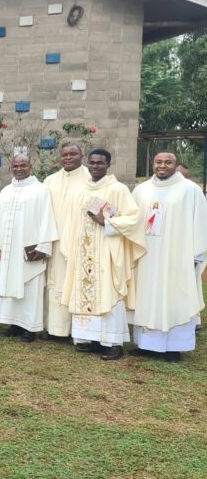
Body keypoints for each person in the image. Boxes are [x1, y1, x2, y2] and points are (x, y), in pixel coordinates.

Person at [60, 149, 145, 361]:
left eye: (100, 163)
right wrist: (70, 248)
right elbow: (70, 222)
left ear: (108, 165)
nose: (95, 166)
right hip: (82, 252)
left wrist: (107, 222)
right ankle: (89, 339)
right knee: (84, 292)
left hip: (107, 252)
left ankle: (113, 343)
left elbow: (134, 218)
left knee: (108, 293)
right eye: (92, 162)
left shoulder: (118, 189)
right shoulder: (80, 191)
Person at [130, 152, 207, 362]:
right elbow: (131, 220)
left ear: (175, 165)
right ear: (153, 164)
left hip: (177, 256)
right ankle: (146, 345)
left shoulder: (190, 190)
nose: (162, 166)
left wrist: (196, 256)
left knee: (177, 296)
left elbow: (201, 223)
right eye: (159, 162)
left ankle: (175, 346)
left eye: (168, 162)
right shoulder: (141, 190)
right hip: (147, 255)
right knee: (146, 296)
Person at [0, 154, 59, 342]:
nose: (19, 169)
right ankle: (13, 324)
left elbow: (47, 218)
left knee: (31, 287)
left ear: (30, 167)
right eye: (15, 166)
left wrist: (44, 246)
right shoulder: (5, 191)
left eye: (23, 165)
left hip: (29, 249)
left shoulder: (40, 190)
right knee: (9, 284)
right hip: (7, 249)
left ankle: (30, 327)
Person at [42, 144, 91, 339]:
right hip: (53, 240)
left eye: (73, 154)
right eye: (64, 155)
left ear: (82, 155)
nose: (68, 158)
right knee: (53, 282)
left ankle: (77, 330)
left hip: (79, 242)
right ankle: (54, 328)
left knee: (75, 283)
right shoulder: (50, 180)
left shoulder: (90, 179)